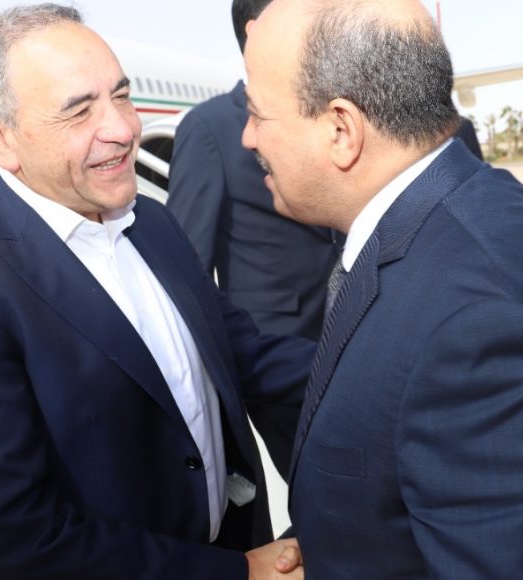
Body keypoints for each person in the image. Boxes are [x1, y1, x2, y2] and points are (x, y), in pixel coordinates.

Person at [0, 4, 311, 579]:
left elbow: (240, 352)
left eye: (122, 96)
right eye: (80, 110)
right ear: (0, 138)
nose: (122, 129)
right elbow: (18, 535)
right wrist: (238, 574)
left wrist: (393, 360)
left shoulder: (153, 224)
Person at [242, 0, 523, 577]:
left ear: (341, 130)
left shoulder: (483, 325)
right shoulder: (453, 210)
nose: (246, 138)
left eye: (258, 115)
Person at [166, 0, 341, 476]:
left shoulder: (326, 112)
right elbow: (186, 266)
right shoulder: (210, 128)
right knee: (317, 481)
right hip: (273, 351)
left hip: (346, 330)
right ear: (256, 32)